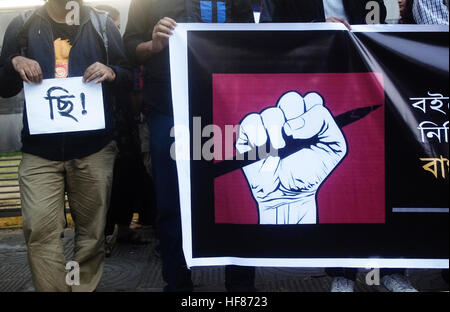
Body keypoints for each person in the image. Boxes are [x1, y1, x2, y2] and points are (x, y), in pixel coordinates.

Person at [123, 0, 256, 292]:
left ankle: (241, 286)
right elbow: (128, 49)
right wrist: (152, 44)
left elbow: (256, 40)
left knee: (237, 193)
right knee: (172, 201)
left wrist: (323, 30)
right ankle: (178, 284)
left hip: (227, 107)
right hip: (169, 108)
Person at [0, 0, 132, 291]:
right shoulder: (22, 25)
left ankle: (81, 288)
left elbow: (128, 77)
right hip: (39, 152)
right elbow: (3, 86)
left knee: (91, 234)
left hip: (93, 149)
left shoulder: (102, 25)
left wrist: (112, 72)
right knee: (41, 231)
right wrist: (14, 62)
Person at [94, 4, 158, 257]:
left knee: (130, 176)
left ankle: (123, 229)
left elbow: (131, 77)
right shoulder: (94, 46)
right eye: (107, 21)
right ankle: (103, 235)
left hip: (128, 122)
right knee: (105, 181)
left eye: (115, 22)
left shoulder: (123, 49)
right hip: (103, 123)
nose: (112, 26)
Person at [260, 0, 387, 27]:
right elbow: (276, 27)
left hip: (356, 56)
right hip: (310, 59)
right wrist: (318, 27)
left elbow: (377, 19)